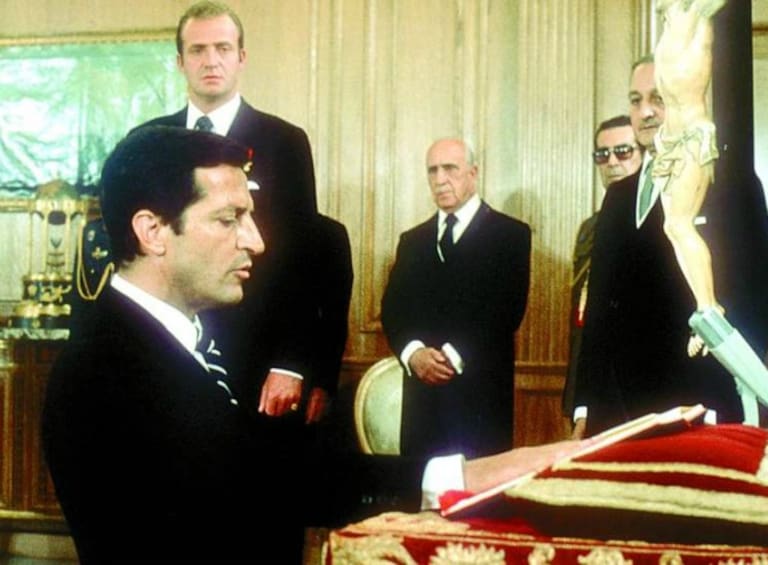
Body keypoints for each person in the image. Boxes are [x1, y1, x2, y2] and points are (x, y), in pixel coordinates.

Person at [41, 126, 582, 564]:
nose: (256, 240)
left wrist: (468, 474)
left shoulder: (157, 340)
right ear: (152, 231)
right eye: (229, 219)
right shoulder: (103, 370)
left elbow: (268, 473)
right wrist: (464, 476)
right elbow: (271, 483)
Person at [133, 0, 326, 426]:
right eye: (198, 50)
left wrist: (291, 362)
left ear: (242, 57)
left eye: (222, 48)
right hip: (165, 345)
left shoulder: (284, 142)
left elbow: (304, 260)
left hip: (257, 349)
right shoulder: (147, 142)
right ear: (180, 61)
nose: (211, 61)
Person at [572, 55, 742, 438]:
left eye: (658, 98)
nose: (645, 111)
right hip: (622, 411)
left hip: (703, 405)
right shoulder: (618, 196)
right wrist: (584, 406)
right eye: (636, 100)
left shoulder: (728, 185)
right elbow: (598, 311)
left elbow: (753, 300)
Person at [381, 138, 531, 458]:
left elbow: (506, 310)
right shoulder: (413, 240)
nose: (440, 179)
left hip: (479, 398)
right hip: (422, 401)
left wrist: (451, 357)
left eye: (450, 169)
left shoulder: (510, 235)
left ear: (473, 173)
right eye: (432, 170)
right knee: (418, 484)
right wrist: (414, 354)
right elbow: (393, 310)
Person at [561, 115, 643, 426]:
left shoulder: (660, 221)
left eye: (623, 152)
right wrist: (578, 401)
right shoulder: (589, 228)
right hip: (594, 386)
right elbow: (583, 319)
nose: (611, 162)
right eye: (602, 155)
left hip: (639, 387)